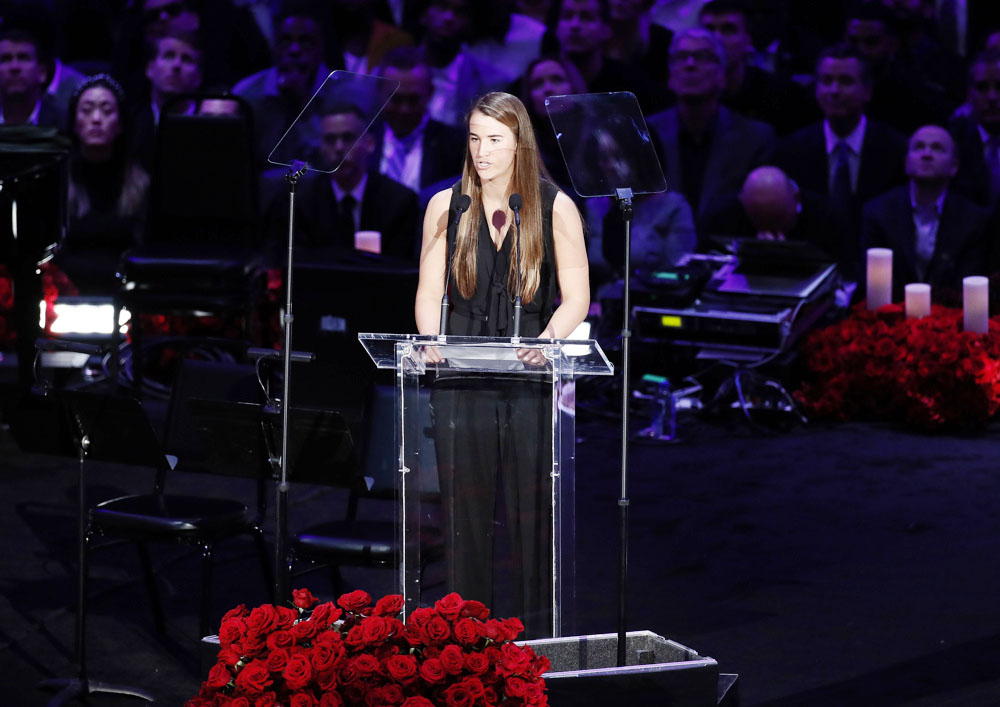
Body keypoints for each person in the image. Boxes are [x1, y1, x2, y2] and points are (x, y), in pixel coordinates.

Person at [414, 92, 588, 636]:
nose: (482, 152)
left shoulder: (552, 206)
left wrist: (547, 340)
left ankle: (537, 642)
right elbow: (426, 291)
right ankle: (466, 641)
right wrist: (431, 339)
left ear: (519, 144)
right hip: (461, 381)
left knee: (530, 518)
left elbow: (578, 297)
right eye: (474, 138)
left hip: (528, 378)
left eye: (494, 139)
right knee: (463, 522)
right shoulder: (447, 205)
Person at [646, 28, 776, 233]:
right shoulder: (646, 133)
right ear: (670, 74)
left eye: (702, 57)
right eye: (680, 58)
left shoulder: (754, 138)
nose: (690, 65)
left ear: (722, 74)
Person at [861, 124, 993, 297]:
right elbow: (870, 283)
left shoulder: (974, 219)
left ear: (954, 166)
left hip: (951, 315)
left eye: (937, 148)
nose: (927, 154)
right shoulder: (878, 212)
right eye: (919, 147)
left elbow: (969, 285)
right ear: (906, 162)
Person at [55, 74, 150, 294]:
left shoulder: (142, 183)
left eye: (107, 111)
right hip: (67, 293)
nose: (96, 119)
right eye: (87, 110)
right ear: (74, 124)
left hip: (126, 293)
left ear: (120, 124)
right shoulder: (57, 181)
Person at [0, 26, 62, 126]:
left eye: (23, 58)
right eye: (5, 59)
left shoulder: (65, 126)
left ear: (42, 73)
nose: (14, 67)